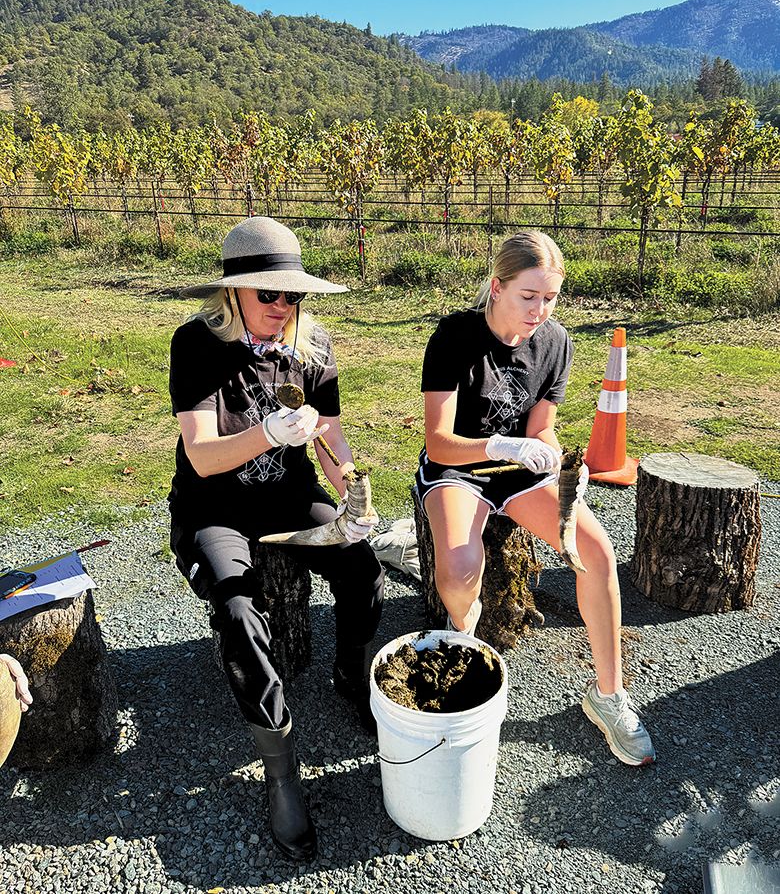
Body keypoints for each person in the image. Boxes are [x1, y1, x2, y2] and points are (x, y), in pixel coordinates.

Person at [169, 216, 384, 861]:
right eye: (270, 294)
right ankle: (280, 761)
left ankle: (352, 673)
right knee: (236, 607)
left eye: (293, 295)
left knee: (361, 564)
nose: (284, 306)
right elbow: (202, 456)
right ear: (233, 294)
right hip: (215, 507)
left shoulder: (311, 348)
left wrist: (348, 481)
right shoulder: (198, 345)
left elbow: (332, 435)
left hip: (288, 496)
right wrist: (268, 433)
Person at [416, 231, 655, 767]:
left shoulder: (556, 342)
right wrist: (500, 443)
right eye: (529, 297)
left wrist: (557, 459)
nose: (540, 311)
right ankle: (461, 638)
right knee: (458, 566)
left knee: (596, 551)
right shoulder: (455, 335)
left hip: (517, 472)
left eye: (550, 298)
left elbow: (542, 427)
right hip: (458, 468)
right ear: (497, 288)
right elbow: (439, 441)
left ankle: (609, 696)